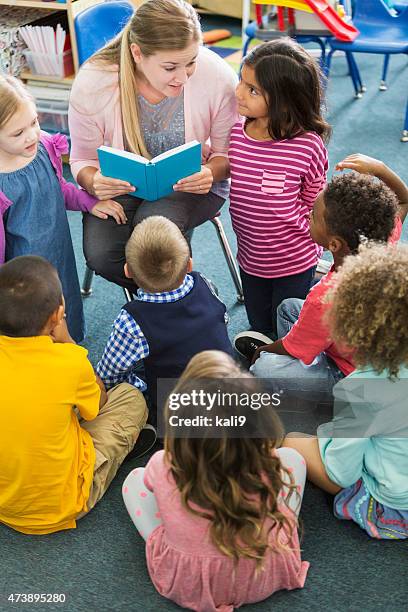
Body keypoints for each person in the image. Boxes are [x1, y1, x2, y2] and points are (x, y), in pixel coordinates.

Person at [68, 0, 238, 292]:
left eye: (191, 62)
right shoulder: (94, 81)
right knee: (102, 255)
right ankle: (179, 295)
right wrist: (94, 182)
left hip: (194, 185)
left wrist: (211, 171)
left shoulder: (217, 75)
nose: (183, 77)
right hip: (124, 187)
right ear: (137, 53)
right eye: (170, 67)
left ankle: (182, 300)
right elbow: (81, 159)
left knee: (153, 230)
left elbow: (230, 154)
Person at [122, 350, 309, 611]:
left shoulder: (164, 463)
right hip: (261, 573)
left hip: (193, 584)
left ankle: (185, 538)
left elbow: (153, 486)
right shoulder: (265, 460)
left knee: (134, 481)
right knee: (292, 458)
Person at [236, 155, 407, 402]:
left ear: (334, 244)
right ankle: (313, 354)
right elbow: (403, 198)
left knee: (265, 367)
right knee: (288, 309)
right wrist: (380, 169)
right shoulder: (383, 238)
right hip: (363, 350)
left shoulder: (327, 295)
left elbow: (287, 346)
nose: (307, 216)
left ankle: (326, 385)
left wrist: (262, 352)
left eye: (313, 216)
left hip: (351, 377)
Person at [0, 256, 148, 535]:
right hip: (62, 504)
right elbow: (100, 402)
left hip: (4, 503)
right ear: (57, 316)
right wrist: (68, 343)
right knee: (130, 397)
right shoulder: (69, 361)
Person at [283, 243, 408, 539]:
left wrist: (326, 439)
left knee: (291, 440)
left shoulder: (363, 388)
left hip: (393, 507)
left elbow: (341, 473)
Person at [0, 75, 125, 343]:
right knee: (33, 328)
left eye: (33, 122)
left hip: (58, 255)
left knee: (64, 302)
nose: (32, 134)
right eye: (18, 133)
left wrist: (90, 202)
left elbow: (60, 188)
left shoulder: (44, 146)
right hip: (22, 277)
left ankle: (70, 355)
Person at [229, 38, 330, 338]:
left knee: (287, 330)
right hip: (250, 257)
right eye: (241, 82)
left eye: (252, 89)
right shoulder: (238, 132)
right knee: (258, 327)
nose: (238, 93)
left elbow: (315, 203)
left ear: (284, 100)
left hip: (293, 259)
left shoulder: (308, 145)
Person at [96, 216, 233, 423]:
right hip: (229, 394)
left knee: (121, 387)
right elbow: (223, 321)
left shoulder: (132, 320)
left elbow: (109, 375)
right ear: (189, 265)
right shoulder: (203, 282)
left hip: (177, 416)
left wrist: (137, 387)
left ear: (127, 272)